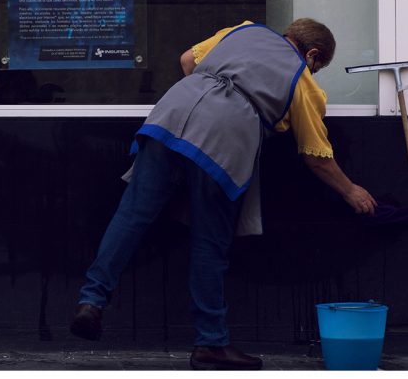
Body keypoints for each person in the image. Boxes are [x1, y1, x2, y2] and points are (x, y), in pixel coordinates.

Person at [70, 19, 378, 370]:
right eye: (318, 67)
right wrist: (350, 190)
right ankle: (211, 344)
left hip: (171, 114)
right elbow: (314, 156)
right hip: (225, 135)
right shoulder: (301, 79)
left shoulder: (244, 30)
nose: (314, 72)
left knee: (133, 214)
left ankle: (91, 302)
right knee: (210, 242)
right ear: (312, 54)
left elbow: (188, 60)